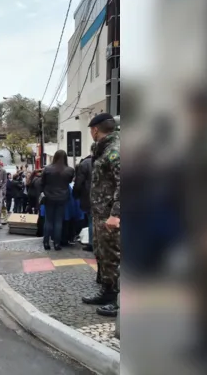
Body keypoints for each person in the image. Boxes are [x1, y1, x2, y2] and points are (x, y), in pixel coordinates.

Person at [81, 113, 120, 317]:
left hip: (111, 217)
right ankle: (107, 291)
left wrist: (116, 214)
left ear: (95, 129)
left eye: (91, 130)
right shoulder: (102, 150)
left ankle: (117, 299)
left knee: (114, 255)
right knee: (103, 254)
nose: (91, 133)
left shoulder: (115, 150)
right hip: (100, 214)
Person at [40, 150, 75, 250]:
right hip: (62, 197)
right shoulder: (70, 170)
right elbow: (69, 182)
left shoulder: (47, 169)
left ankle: (46, 242)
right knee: (59, 221)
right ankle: (57, 243)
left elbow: (42, 183)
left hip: (49, 196)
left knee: (48, 220)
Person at [74, 154, 94, 252]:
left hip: (88, 196)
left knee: (91, 220)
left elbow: (79, 182)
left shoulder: (85, 163)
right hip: (104, 196)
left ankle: (91, 244)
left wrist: (76, 194)